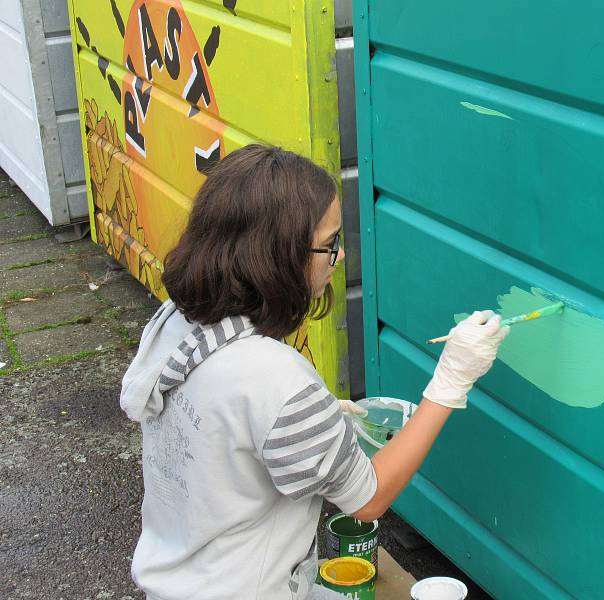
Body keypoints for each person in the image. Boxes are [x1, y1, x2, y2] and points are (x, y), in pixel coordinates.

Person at [120, 144, 509, 600]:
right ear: (277, 256)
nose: (339, 258)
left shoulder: (175, 322)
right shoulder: (274, 379)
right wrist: (450, 383)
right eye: (330, 245)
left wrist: (318, 422)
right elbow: (368, 500)